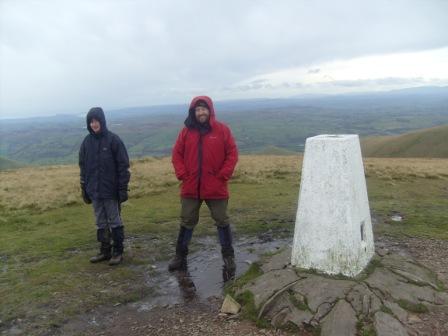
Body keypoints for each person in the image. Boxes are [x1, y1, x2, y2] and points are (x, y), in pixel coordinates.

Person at [169, 96, 238, 280]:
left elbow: (232, 153)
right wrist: (184, 175)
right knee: (187, 221)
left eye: (204, 109)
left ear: (210, 110)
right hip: (191, 186)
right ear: (193, 112)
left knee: (222, 221)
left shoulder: (222, 130)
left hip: (216, 186)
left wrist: (223, 175)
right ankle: (180, 256)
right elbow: (177, 155)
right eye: (197, 109)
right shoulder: (186, 132)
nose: (201, 112)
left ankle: (228, 257)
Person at [79, 107, 130, 266]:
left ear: (102, 121)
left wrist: (122, 189)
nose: (94, 124)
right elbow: (83, 166)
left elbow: (123, 167)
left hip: (110, 191)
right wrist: (84, 188)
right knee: (100, 222)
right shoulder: (86, 142)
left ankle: (118, 252)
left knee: (114, 221)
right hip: (94, 191)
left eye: (96, 120)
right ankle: (105, 250)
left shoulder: (113, 140)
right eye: (91, 121)